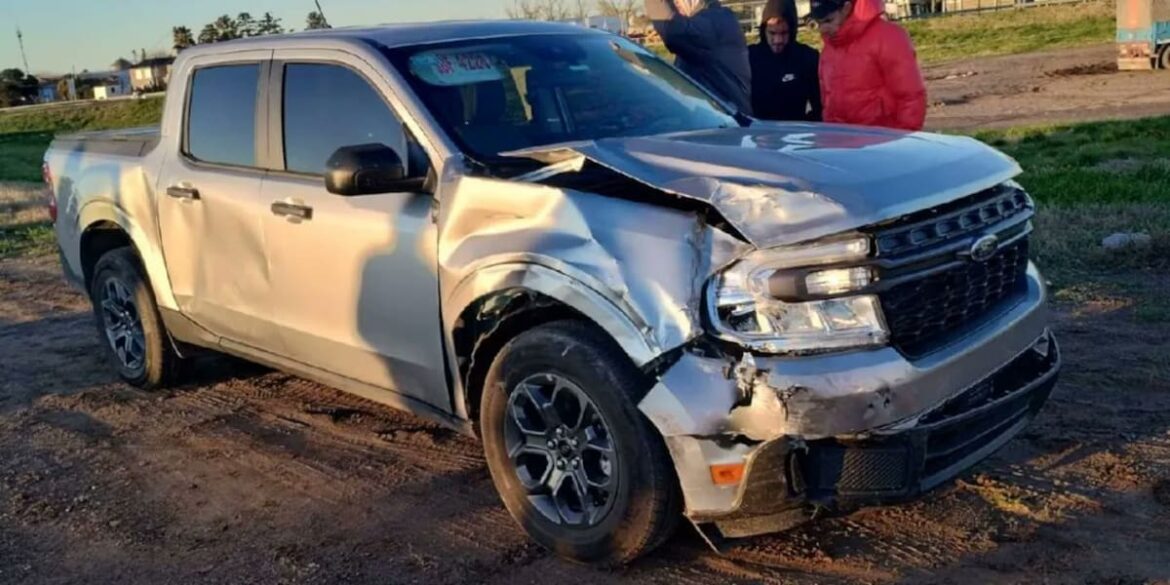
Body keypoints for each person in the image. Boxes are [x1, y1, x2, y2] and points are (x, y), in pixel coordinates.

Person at [811, 0, 926, 131]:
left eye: (828, 21)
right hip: (841, 143)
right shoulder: (830, 48)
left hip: (883, 142)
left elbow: (910, 96)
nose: (822, 29)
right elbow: (828, 100)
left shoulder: (888, 37)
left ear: (846, 8)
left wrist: (903, 141)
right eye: (818, 23)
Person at [644, 0, 753, 115]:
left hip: (727, 125)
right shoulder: (702, 24)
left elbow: (674, 32)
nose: (674, 4)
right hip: (714, 122)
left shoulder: (718, 20)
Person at [748, 0, 822, 122]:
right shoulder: (750, 57)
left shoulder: (807, 58)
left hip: (794, 134)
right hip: (758, 133)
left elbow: (820, 106)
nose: (778, 40)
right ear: (763, 30)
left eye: (784, 33)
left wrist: (804, 129)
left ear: (792, 31)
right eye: (772, 33)